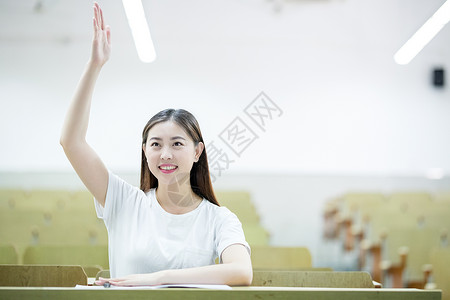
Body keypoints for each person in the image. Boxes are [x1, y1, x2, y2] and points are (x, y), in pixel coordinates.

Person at [60, 2, 252, 286]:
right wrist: (94, 66)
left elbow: (241, 273)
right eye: (155, 145)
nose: (165, 154)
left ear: (197, 151)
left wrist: (157, 279)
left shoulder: (218, 218)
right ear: (144, 150)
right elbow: (71, 141)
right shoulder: (125, 203)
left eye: (177, 144)